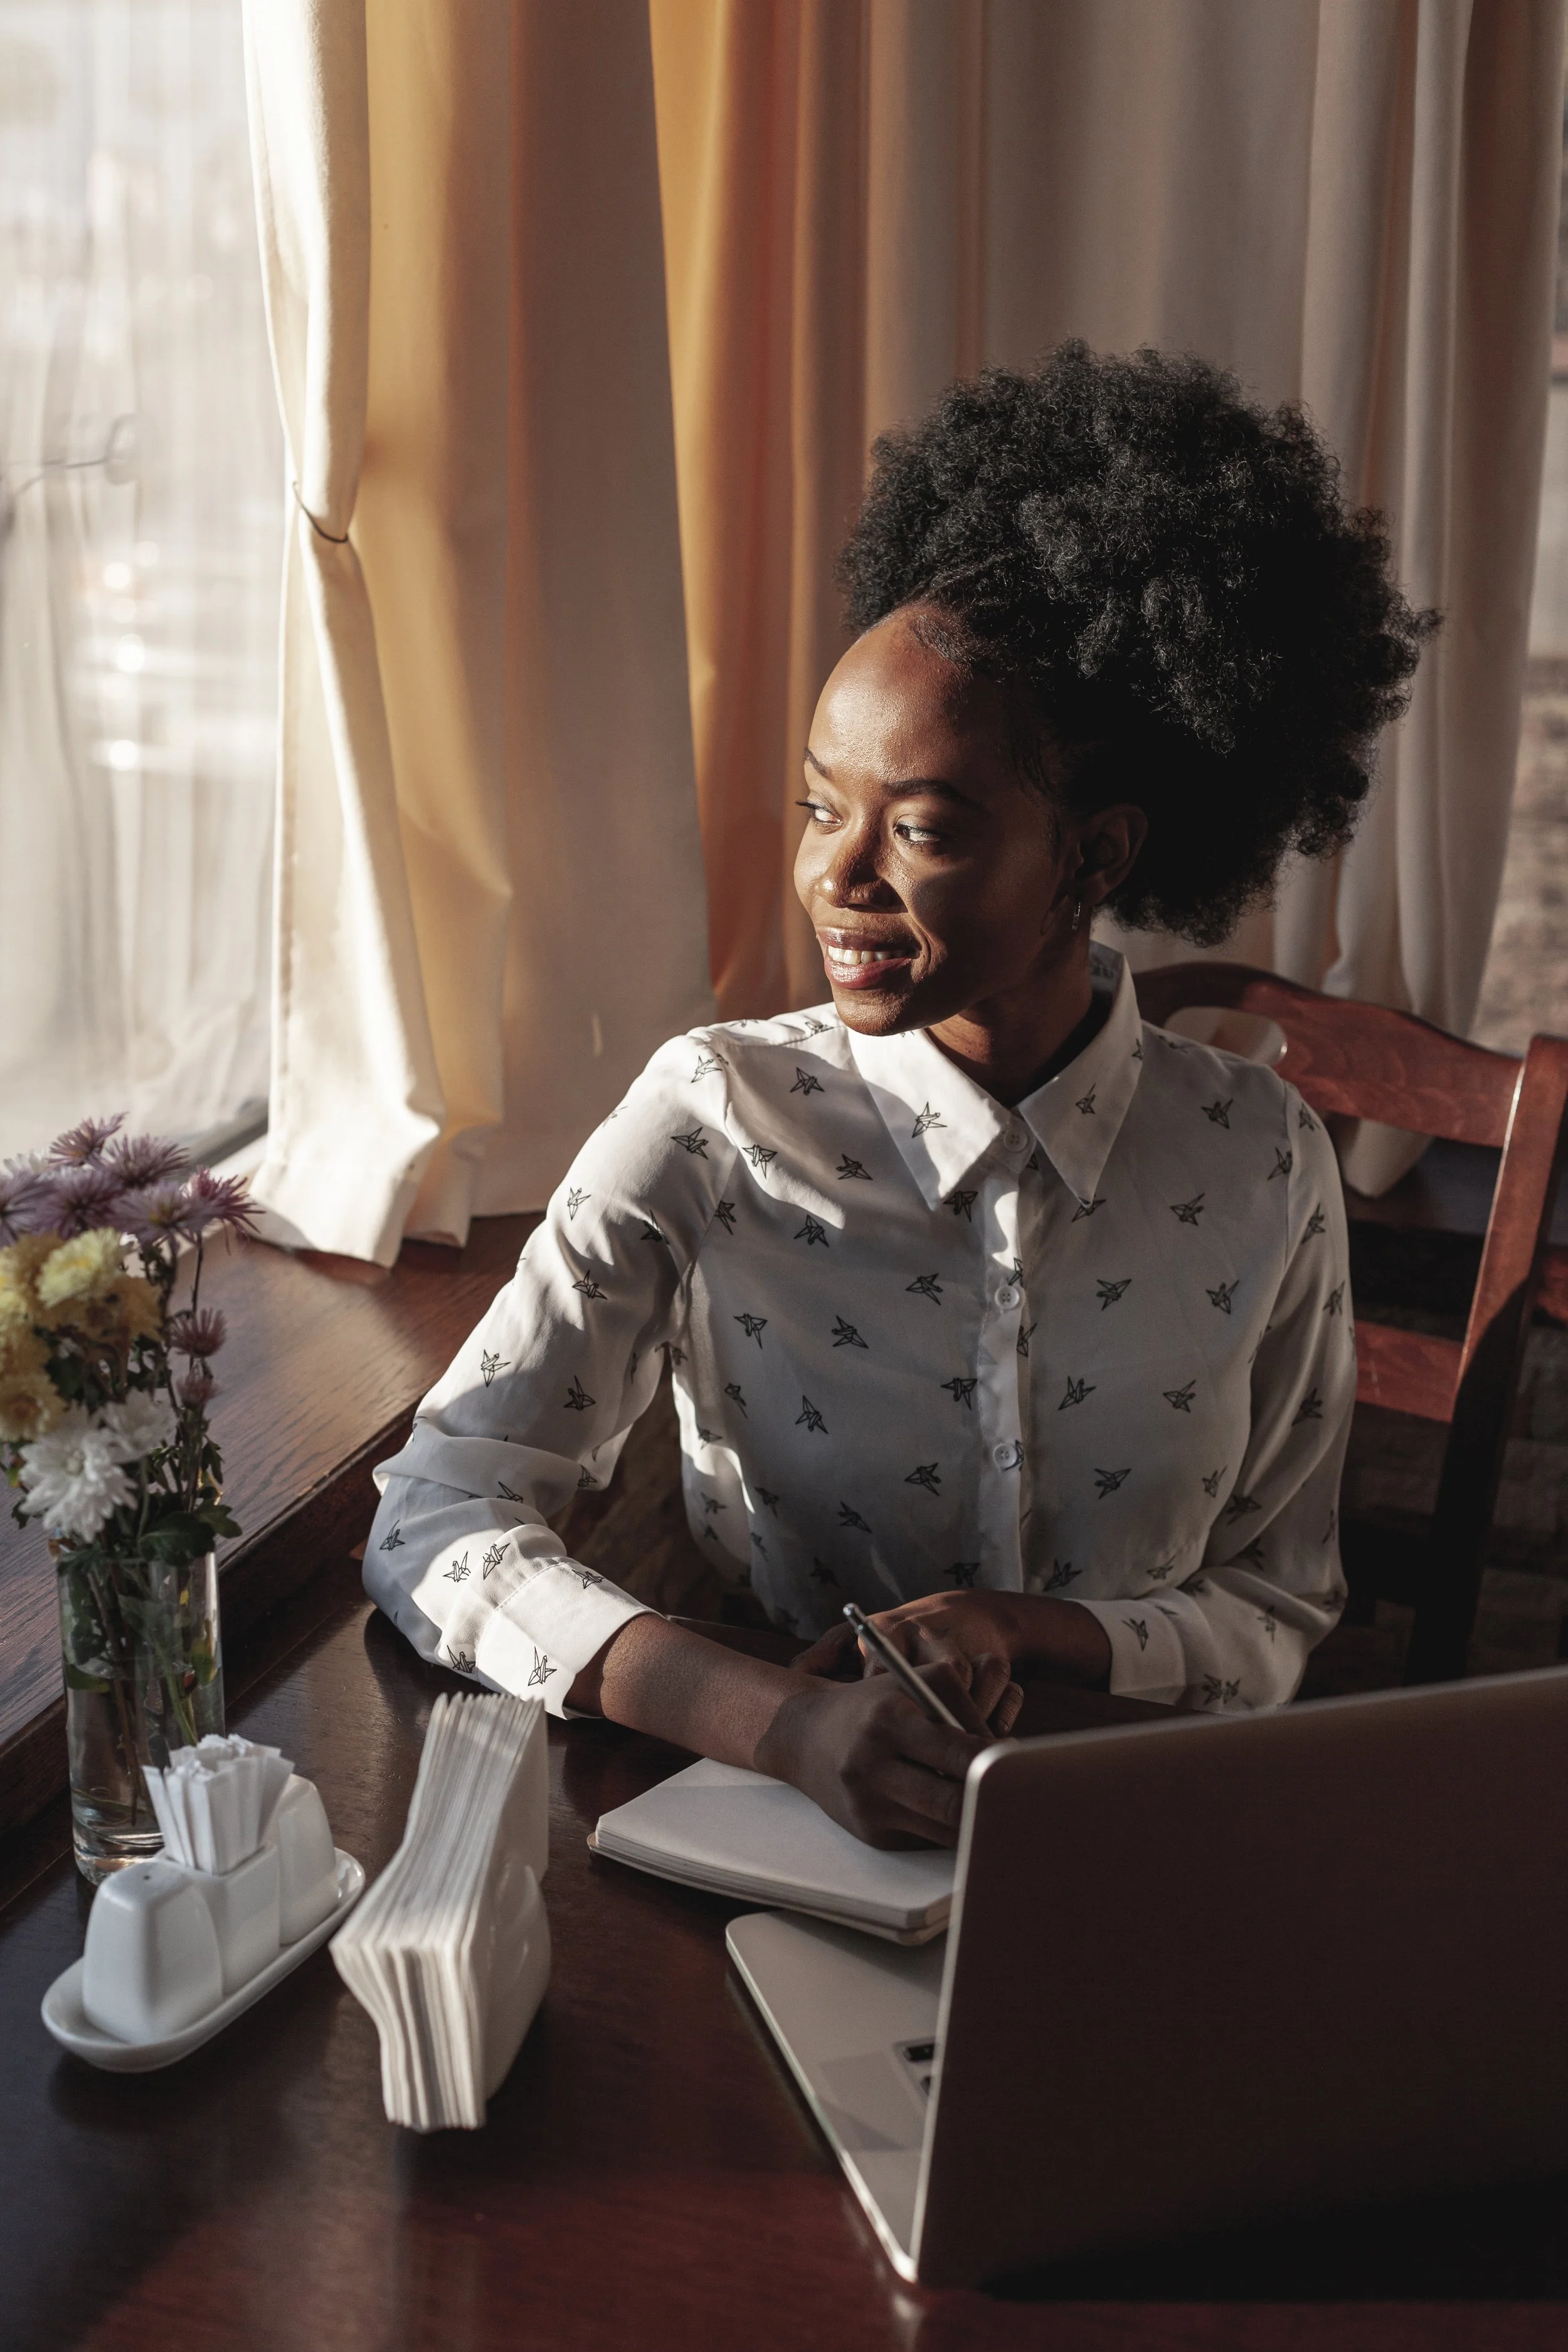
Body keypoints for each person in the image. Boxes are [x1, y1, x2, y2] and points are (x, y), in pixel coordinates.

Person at [366, 343, 1431, 1849]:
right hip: (768, 1855)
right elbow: (433, 1517)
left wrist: (1033, 1633)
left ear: (1097, 855)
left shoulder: (1257, 1160)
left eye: (919, 827)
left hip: (1132, 1846)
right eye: (818, 802)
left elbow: (1271, 1604)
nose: (832, 875)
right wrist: (780, 1723)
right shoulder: (714, 1118)